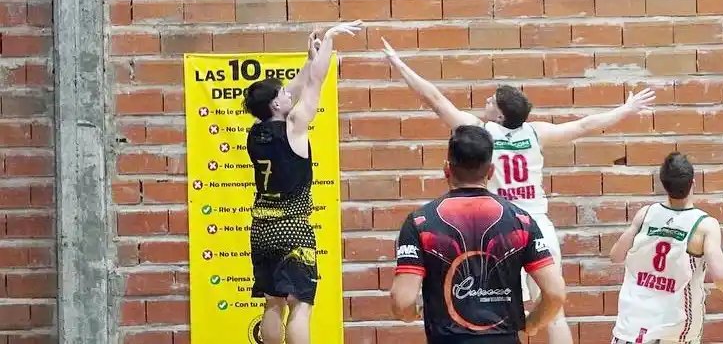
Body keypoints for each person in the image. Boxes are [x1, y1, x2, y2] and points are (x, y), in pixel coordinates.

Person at [380, 38, 655, 344]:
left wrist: (400, 65)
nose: (485, 102)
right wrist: (626, 109)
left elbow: (435, 99)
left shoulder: (482, 132)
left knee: (498, 308)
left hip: (501, 225)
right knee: (555, 310)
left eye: (490, 101)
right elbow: (585, 126)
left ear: (499, 116)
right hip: (537, 223)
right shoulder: (536, 132)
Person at [241, 20, 363, 344]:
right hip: (292, 228)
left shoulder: (256, 133)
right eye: (282, 94)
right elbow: (314, 85)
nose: (288, 94)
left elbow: (294, 89)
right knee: (300, 306)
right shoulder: (294, 126)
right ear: (277, 105)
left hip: (262, 229)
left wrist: (308, 60)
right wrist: (330, 41)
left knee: (272, 302)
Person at [389, 124, 568, 344]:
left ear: (447, 169)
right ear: (491, 171)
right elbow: (556, 293)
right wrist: (531, 324)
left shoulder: (420, 222)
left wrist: (411, 314)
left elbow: (402, 301)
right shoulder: (521, 220)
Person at [608, 152, 723, 344]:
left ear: (664, 184)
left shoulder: (645, 214)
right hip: (675, 329)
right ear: (692, 183)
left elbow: (616, 255)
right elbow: (721, 277)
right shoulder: (704, 225)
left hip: (631, 325)